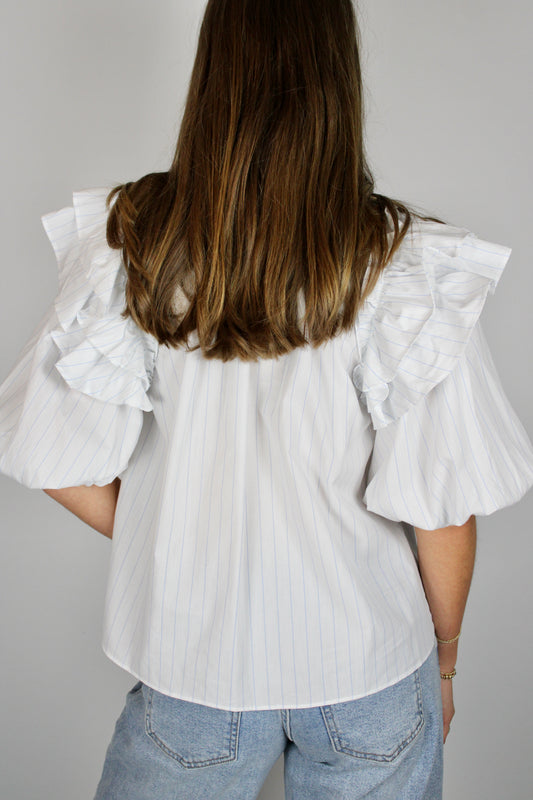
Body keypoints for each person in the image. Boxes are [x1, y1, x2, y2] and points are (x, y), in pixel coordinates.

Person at [1, 1, 532, 798]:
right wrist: (446, 655)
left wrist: (176, 534)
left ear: (213, 73)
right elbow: (444, 507)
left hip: (192, 669)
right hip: (370, 667)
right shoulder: (399, 262)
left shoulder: (135, 238)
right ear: (337, 80)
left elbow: (49, 454)